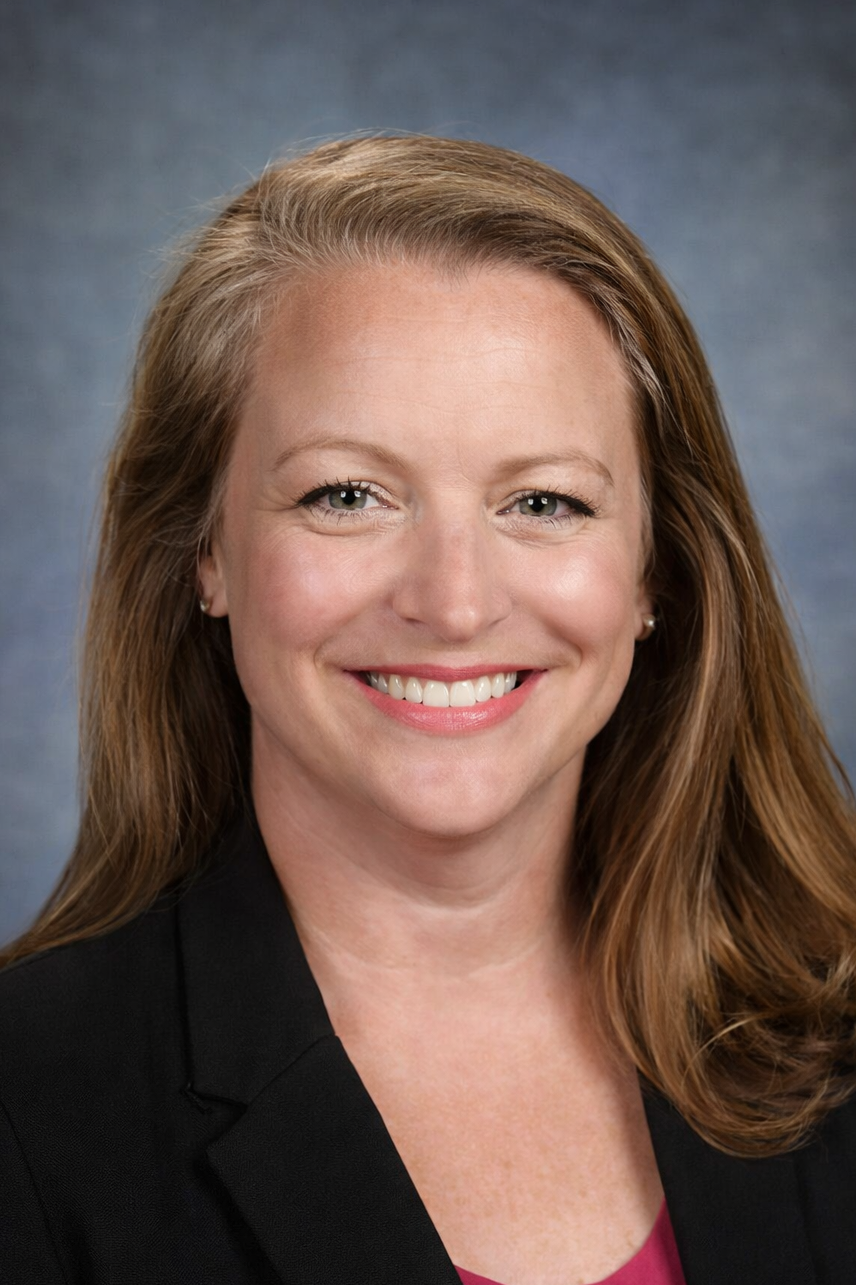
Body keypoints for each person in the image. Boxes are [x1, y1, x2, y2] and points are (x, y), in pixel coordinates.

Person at [1, 135, 855, 1285]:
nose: (453, 604)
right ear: (206, 549)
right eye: (348, 494)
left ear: (656, 571)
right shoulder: (29, 1113)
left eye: (543, 502)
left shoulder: (835, 1039)